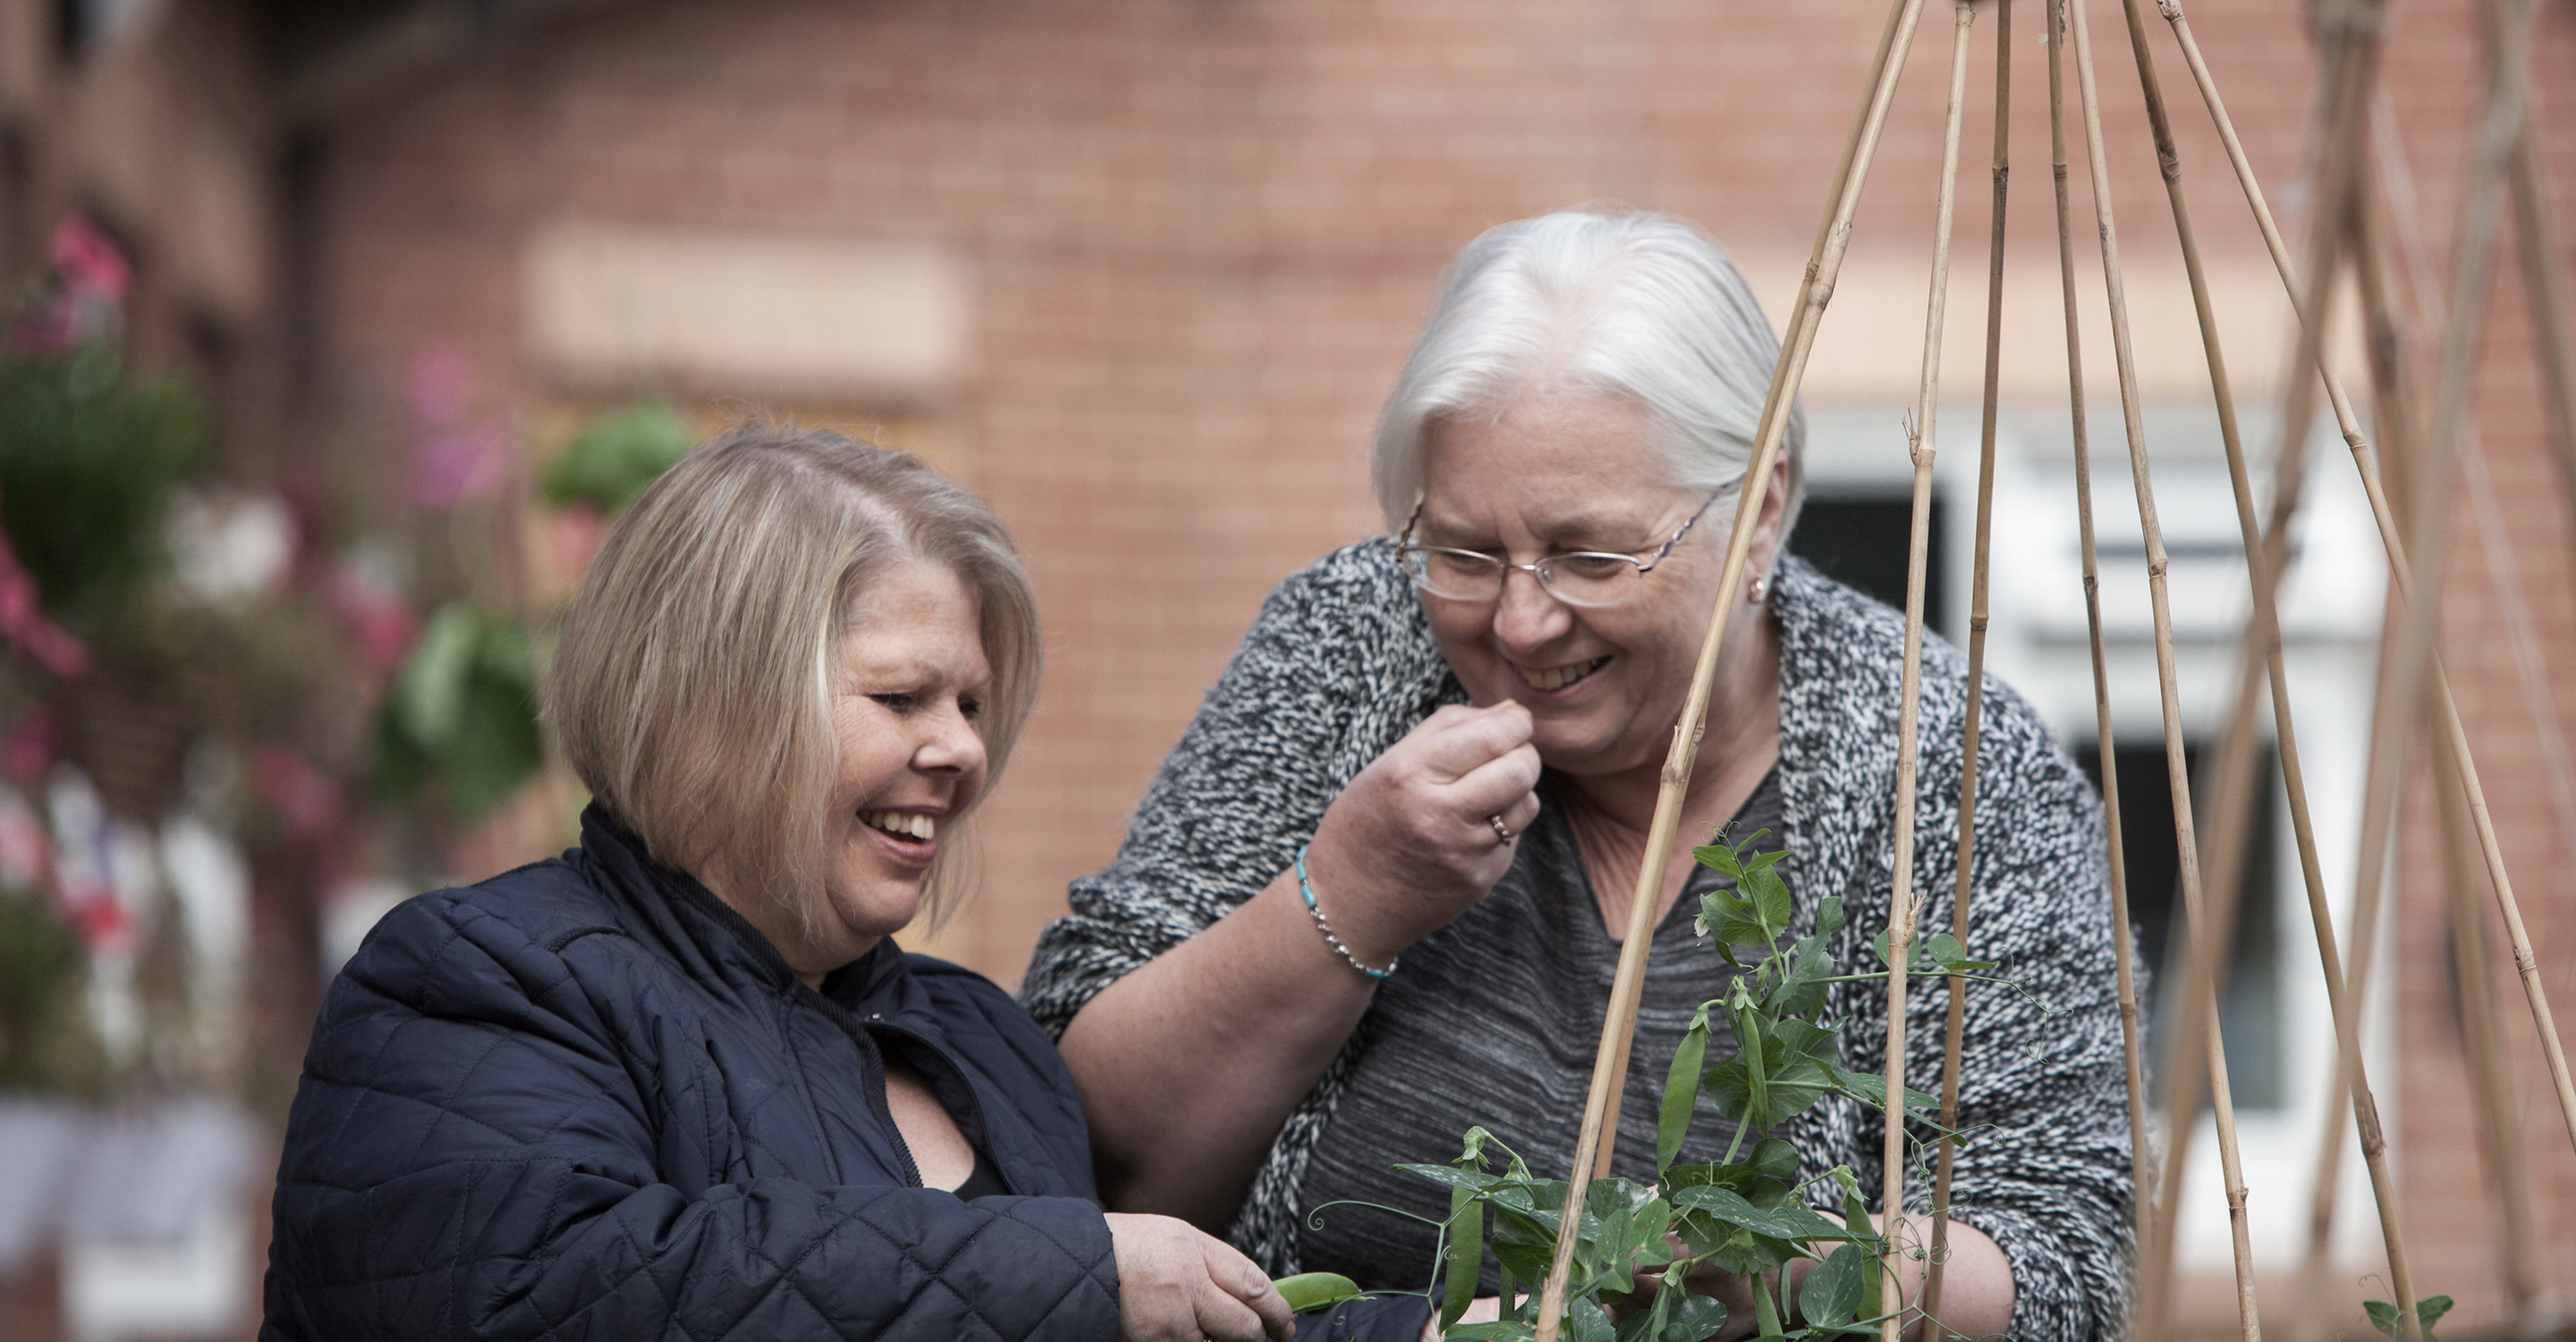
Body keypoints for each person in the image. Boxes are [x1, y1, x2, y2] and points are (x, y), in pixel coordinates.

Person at [1021, 211, 2135, 1341]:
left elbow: (2065, 1255)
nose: (1521, 618)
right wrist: (1347, 896)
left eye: (1591, 557)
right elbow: (1069, 1146)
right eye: (1462, 551)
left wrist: (1781, 1269)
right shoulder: (1352, 644)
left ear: (1755, 514)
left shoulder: (1946, 764)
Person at [260, 426, 1308, 1342]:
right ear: (716, 705)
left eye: (974, 707)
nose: (961, 752)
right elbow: (551, 1296)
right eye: (902, 697)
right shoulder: (482, 980)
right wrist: (1072, 1274)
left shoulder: (984, 1044)